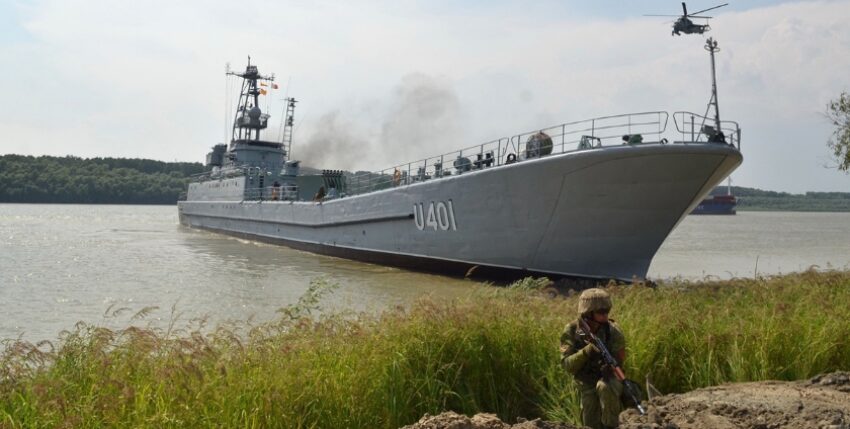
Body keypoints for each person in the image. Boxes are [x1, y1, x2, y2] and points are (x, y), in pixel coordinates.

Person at [560, 288, 626, 429]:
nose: (605, 316)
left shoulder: (613, 331)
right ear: (588, 313)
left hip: (608, 378)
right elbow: (567, 365)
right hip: (585, 381)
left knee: (605, 387)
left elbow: (619, 361)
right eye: (600, 312)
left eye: (606, 312)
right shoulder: (572, 330)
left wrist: (610, 368)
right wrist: (587, 351)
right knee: (590, 422)